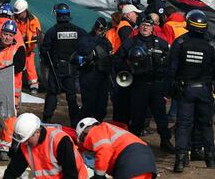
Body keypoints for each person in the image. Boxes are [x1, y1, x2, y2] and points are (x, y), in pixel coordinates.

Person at [165, 9, 215, 172]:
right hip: (205, 90)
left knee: (184, 125)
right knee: (206, 125)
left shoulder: (180, 43)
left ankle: (180, 161)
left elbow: (171, 69)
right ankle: (210, 159)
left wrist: (169, 91)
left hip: (185, 90)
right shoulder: (211, 45)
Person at [115, 18, 175, 154]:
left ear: (153, 27)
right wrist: (129, 66)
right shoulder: (131, 42)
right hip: (138, 84)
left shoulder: (162, 43)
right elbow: (118, 59)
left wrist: (167, 89)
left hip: (157, 85)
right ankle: (134, 143)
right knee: (137, 115)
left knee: (160, 116)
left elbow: (170, 66)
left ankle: (165, 141)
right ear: (139, 27)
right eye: (143, 25)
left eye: (148, 25)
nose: (145, 28)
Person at [0, 20, 26, 161]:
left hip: (11, 90)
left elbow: (18, 67)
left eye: (10, 35)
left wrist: (0, 72)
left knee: (8, 120)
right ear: (1, 33)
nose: (7, 37)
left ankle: (4, 148)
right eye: (5, 34)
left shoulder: (18, 49)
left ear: (14, 36)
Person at [40, 3, 87, 128]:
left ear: (56, 15)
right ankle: (75, 123)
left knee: (52, 94)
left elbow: (44, 51)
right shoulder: (78, 31)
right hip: (72, 68)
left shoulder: (52, 32)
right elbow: (86, 45)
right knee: (71, 97)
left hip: (56, 68)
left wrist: (48, 63)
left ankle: (46, 120)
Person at [3, 113, 88, 179]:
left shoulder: (60, 140)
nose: (25, 143)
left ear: (37, 132)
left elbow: (71, 175)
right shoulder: (26, 144)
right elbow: (13, 171)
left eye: (27, 139)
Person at [76, 118, 157, 179]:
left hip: (131, 161)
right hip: (146, 161)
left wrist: (98, 176)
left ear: (84, 134)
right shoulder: (109, 129)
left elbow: (104, 149)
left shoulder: (95, 131)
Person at [78, 17, 113, 122]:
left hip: (103, 76)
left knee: (102, 105)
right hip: (89, 75)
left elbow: (110, 54)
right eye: (99, 29)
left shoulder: (106, 41)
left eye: (102, 29)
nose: (101, 31)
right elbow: (84, 49)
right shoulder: (86, 38)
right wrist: (97, 39)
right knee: (89, 104)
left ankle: (98, 125)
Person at [14, 0, 41, 94]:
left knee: (30, 67)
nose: (17, 14)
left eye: (19, 13)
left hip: (28, 48)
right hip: (17, 48)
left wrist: (28, 38)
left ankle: (34, 86)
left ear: (24, 11)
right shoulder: (13, 19)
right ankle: (15, 85)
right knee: (16, 67)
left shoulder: (33, 20)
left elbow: (36, 33)